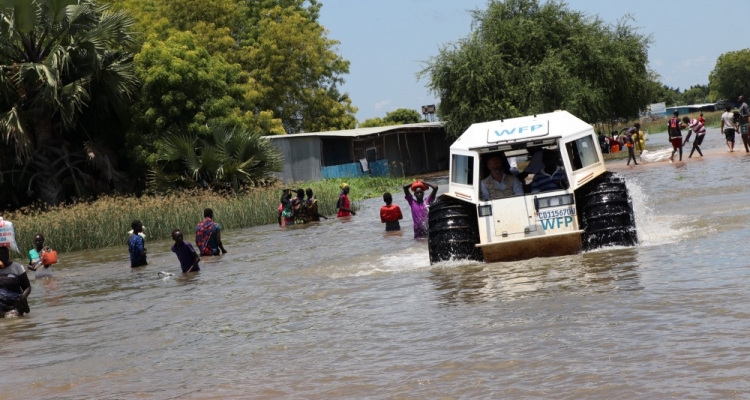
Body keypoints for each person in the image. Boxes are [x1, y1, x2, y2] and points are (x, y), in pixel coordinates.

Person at [0, 247, 31, 317]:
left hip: (16, 304)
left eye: (5, 254)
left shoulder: (17, 267)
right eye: (0, 254)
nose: (3, 256)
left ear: (8, 254)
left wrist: (22, 298)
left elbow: (27, 287)